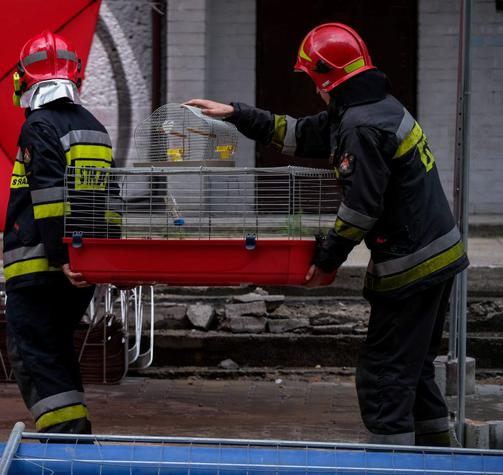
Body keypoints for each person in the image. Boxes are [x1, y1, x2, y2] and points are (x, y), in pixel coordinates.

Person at [186, 22, 468, 446]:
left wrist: (325, 259)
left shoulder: (360, 126)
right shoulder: (371, 108)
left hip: (413, 266)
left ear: (326, 78)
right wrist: (236, 113)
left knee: (384, 376)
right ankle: (439, 456)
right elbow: (296, 133)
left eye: (313, 80)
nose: (313, 89)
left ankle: (397, 465)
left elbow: (359, 210)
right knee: (413, 371)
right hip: (433, 258)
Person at [3, 31, 119, 435]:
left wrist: (59, 256)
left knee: (33, 352)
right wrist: (102, 259)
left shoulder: (39, 125)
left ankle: (63, 440)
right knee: (56, 350)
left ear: (24, 79)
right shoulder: (95, 129)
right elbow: (110, 200)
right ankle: (75, 431)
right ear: (76, 77)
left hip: (41, 267)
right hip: (80, 270)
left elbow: (49, 197)